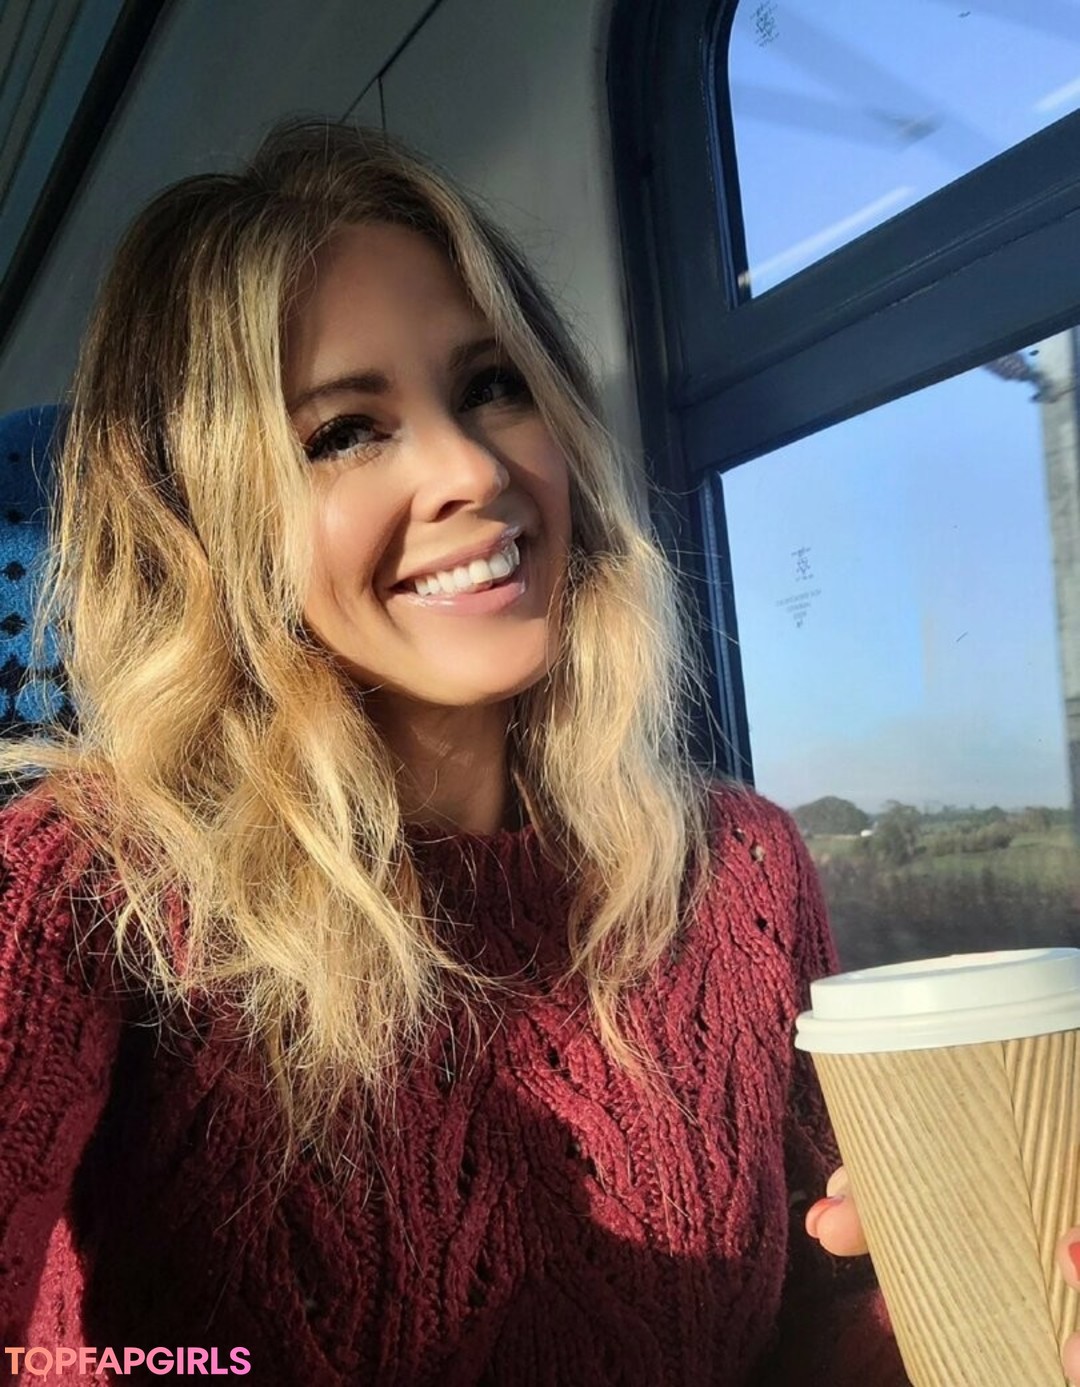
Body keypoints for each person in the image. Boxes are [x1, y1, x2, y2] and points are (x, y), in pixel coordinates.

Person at [0, 119, 919, 1386]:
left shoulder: (739, 871)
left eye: (491, 384)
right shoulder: (85, 890)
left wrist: (948, 1316)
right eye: (344, 431)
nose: (470, 470)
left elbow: (811, 1324)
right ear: (205, 522)